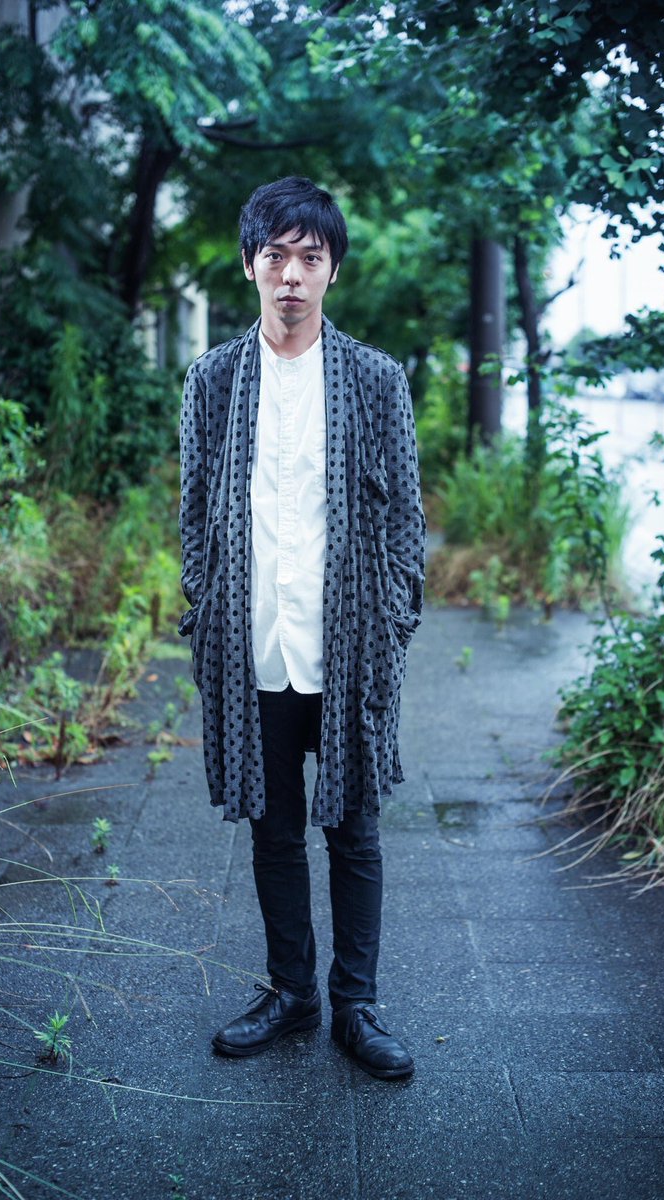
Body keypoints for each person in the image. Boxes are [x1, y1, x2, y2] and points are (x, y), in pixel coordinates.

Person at [177, 176, 426, 1080]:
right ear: (250, 265)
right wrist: (202, 607)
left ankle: (355, 1005)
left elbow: (405, 518)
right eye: (275, 256)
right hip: (252, 642)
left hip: (347, 645)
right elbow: (194, 512)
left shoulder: (374, 379)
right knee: (273, 829)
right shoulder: (213, 380)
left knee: (353, 831)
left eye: (308, 258)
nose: (290, 275)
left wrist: (393, 619)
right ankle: (293, 993)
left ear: (331, 272)